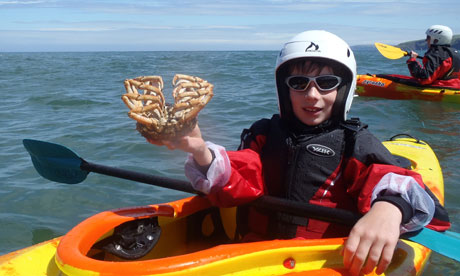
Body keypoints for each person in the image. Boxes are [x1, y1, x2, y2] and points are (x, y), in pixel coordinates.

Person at [149, 30, 450, 276]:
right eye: (299, 83)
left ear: (344, 88)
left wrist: (389, 209)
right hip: (255, 257)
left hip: (325, 262)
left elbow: (404, 188)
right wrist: (202, 151)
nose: (312, 95)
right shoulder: (265, 134)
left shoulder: (355, 143)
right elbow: (243, 178)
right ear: (284, 89)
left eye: (327, 83)